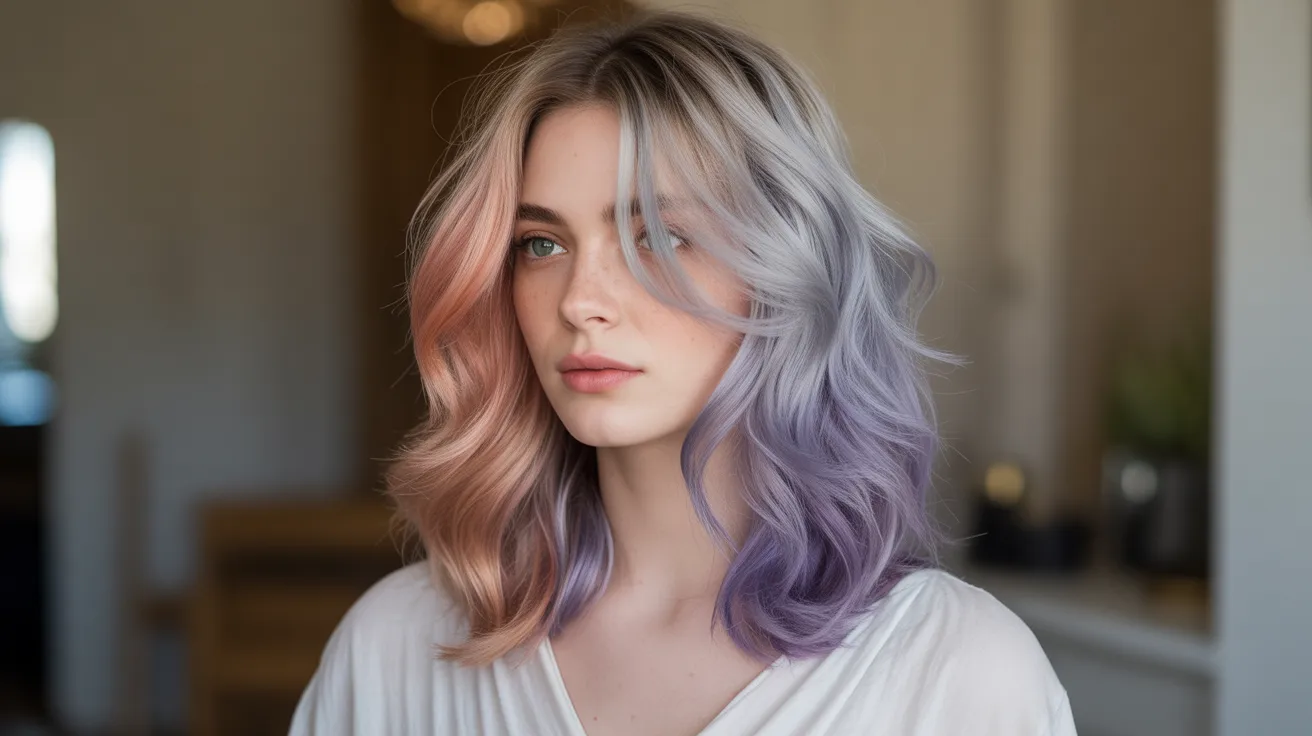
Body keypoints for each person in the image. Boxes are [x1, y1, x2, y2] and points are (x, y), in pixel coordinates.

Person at [290, 8, 1076, 735]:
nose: (582, 302)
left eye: (659, 238)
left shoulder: (962, 676)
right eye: (543, 244)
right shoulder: (396, 647)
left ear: (785, 270)